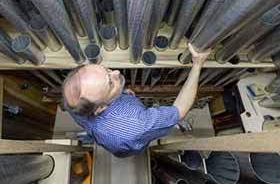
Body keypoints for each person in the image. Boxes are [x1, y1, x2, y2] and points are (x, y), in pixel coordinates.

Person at [63, 43, 210, 157]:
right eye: (110, 83)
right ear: (100, 108)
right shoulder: (138, 126)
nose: (117, 72)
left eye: (106, 70)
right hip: (126, 145)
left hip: (105, 136)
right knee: (132, 149)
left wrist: (120, 94)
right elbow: (180, 110)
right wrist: (197, 64)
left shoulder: (72, 100)